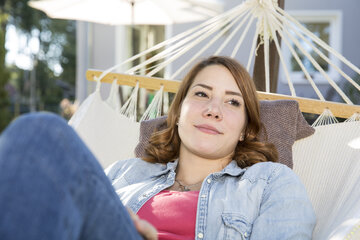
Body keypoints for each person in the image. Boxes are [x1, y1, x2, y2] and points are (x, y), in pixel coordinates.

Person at [0, 56, 315, 240]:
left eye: (233, 102)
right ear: (177, 114)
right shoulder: (125, 172)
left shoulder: (272, 182)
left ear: (247, 129)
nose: (214, 109)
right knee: (40, 134)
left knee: (42, 131)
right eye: (202, 95)